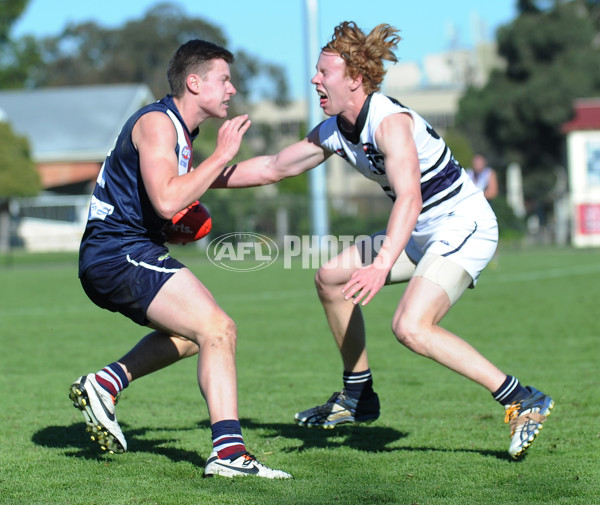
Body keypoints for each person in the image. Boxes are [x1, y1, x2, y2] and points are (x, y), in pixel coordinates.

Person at [213, 22, 553, 459]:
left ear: (355, 78)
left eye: (324, 72)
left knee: (411, 327)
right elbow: (274, 168)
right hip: (418, 229)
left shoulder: (389, 122)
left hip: (461, 223)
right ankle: (358, 396)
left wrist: (381, 262)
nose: (314, 79)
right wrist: (197, 179)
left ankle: (521, 398)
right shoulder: (336, 129)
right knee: (331, 278)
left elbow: (410, 197)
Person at [69, 39, 291, 479]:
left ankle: (106, 383)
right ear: (194, 82)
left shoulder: (181, 134)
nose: (231, 89)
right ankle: (228, 454)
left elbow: (267, 169)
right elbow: (169, 199)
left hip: (126, 250)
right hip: (116, 252)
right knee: (219, 328)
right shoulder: (158, 124)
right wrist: (223, 155)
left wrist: (329, 143)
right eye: (223, 79)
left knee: (195, 336)